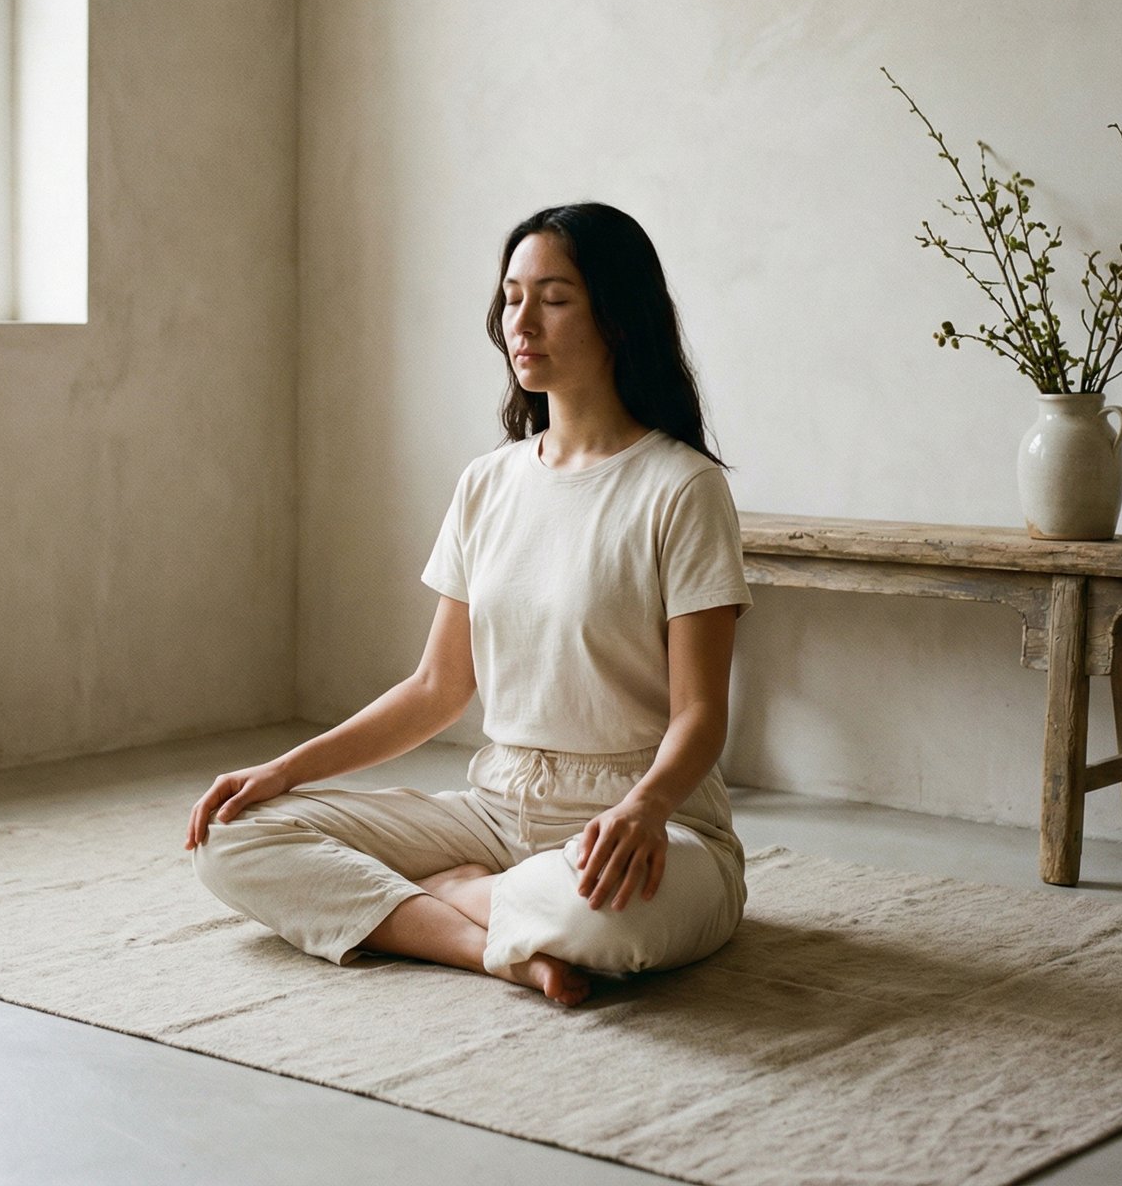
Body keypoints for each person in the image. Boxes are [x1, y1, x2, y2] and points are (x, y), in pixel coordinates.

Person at [186, 202, 754, 1006]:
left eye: (554, 299)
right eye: (512, 297)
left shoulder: (682, 488)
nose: (522, 321)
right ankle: (484, 940)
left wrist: (643, 809)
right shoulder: (488, 483)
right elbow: (434, 690)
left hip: (650, 820)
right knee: (232, 837)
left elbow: (701, 714)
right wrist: (283, 771)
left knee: (605, 922)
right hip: (498, 810)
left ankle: (458, 896)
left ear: (618, 317)